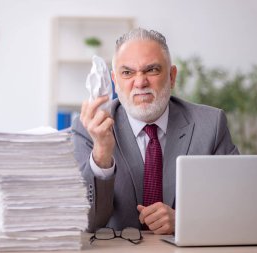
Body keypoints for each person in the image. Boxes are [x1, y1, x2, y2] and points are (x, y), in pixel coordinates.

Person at [72, 28, 239, 235]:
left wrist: (184, 220)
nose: (140, 82)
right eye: (127, 73)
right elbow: (87, 222)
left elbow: (235, 205)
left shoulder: (211, 124)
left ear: (171, 76)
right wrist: (102, 154)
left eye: (151, 70)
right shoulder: (89, 128)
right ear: (115, 81)